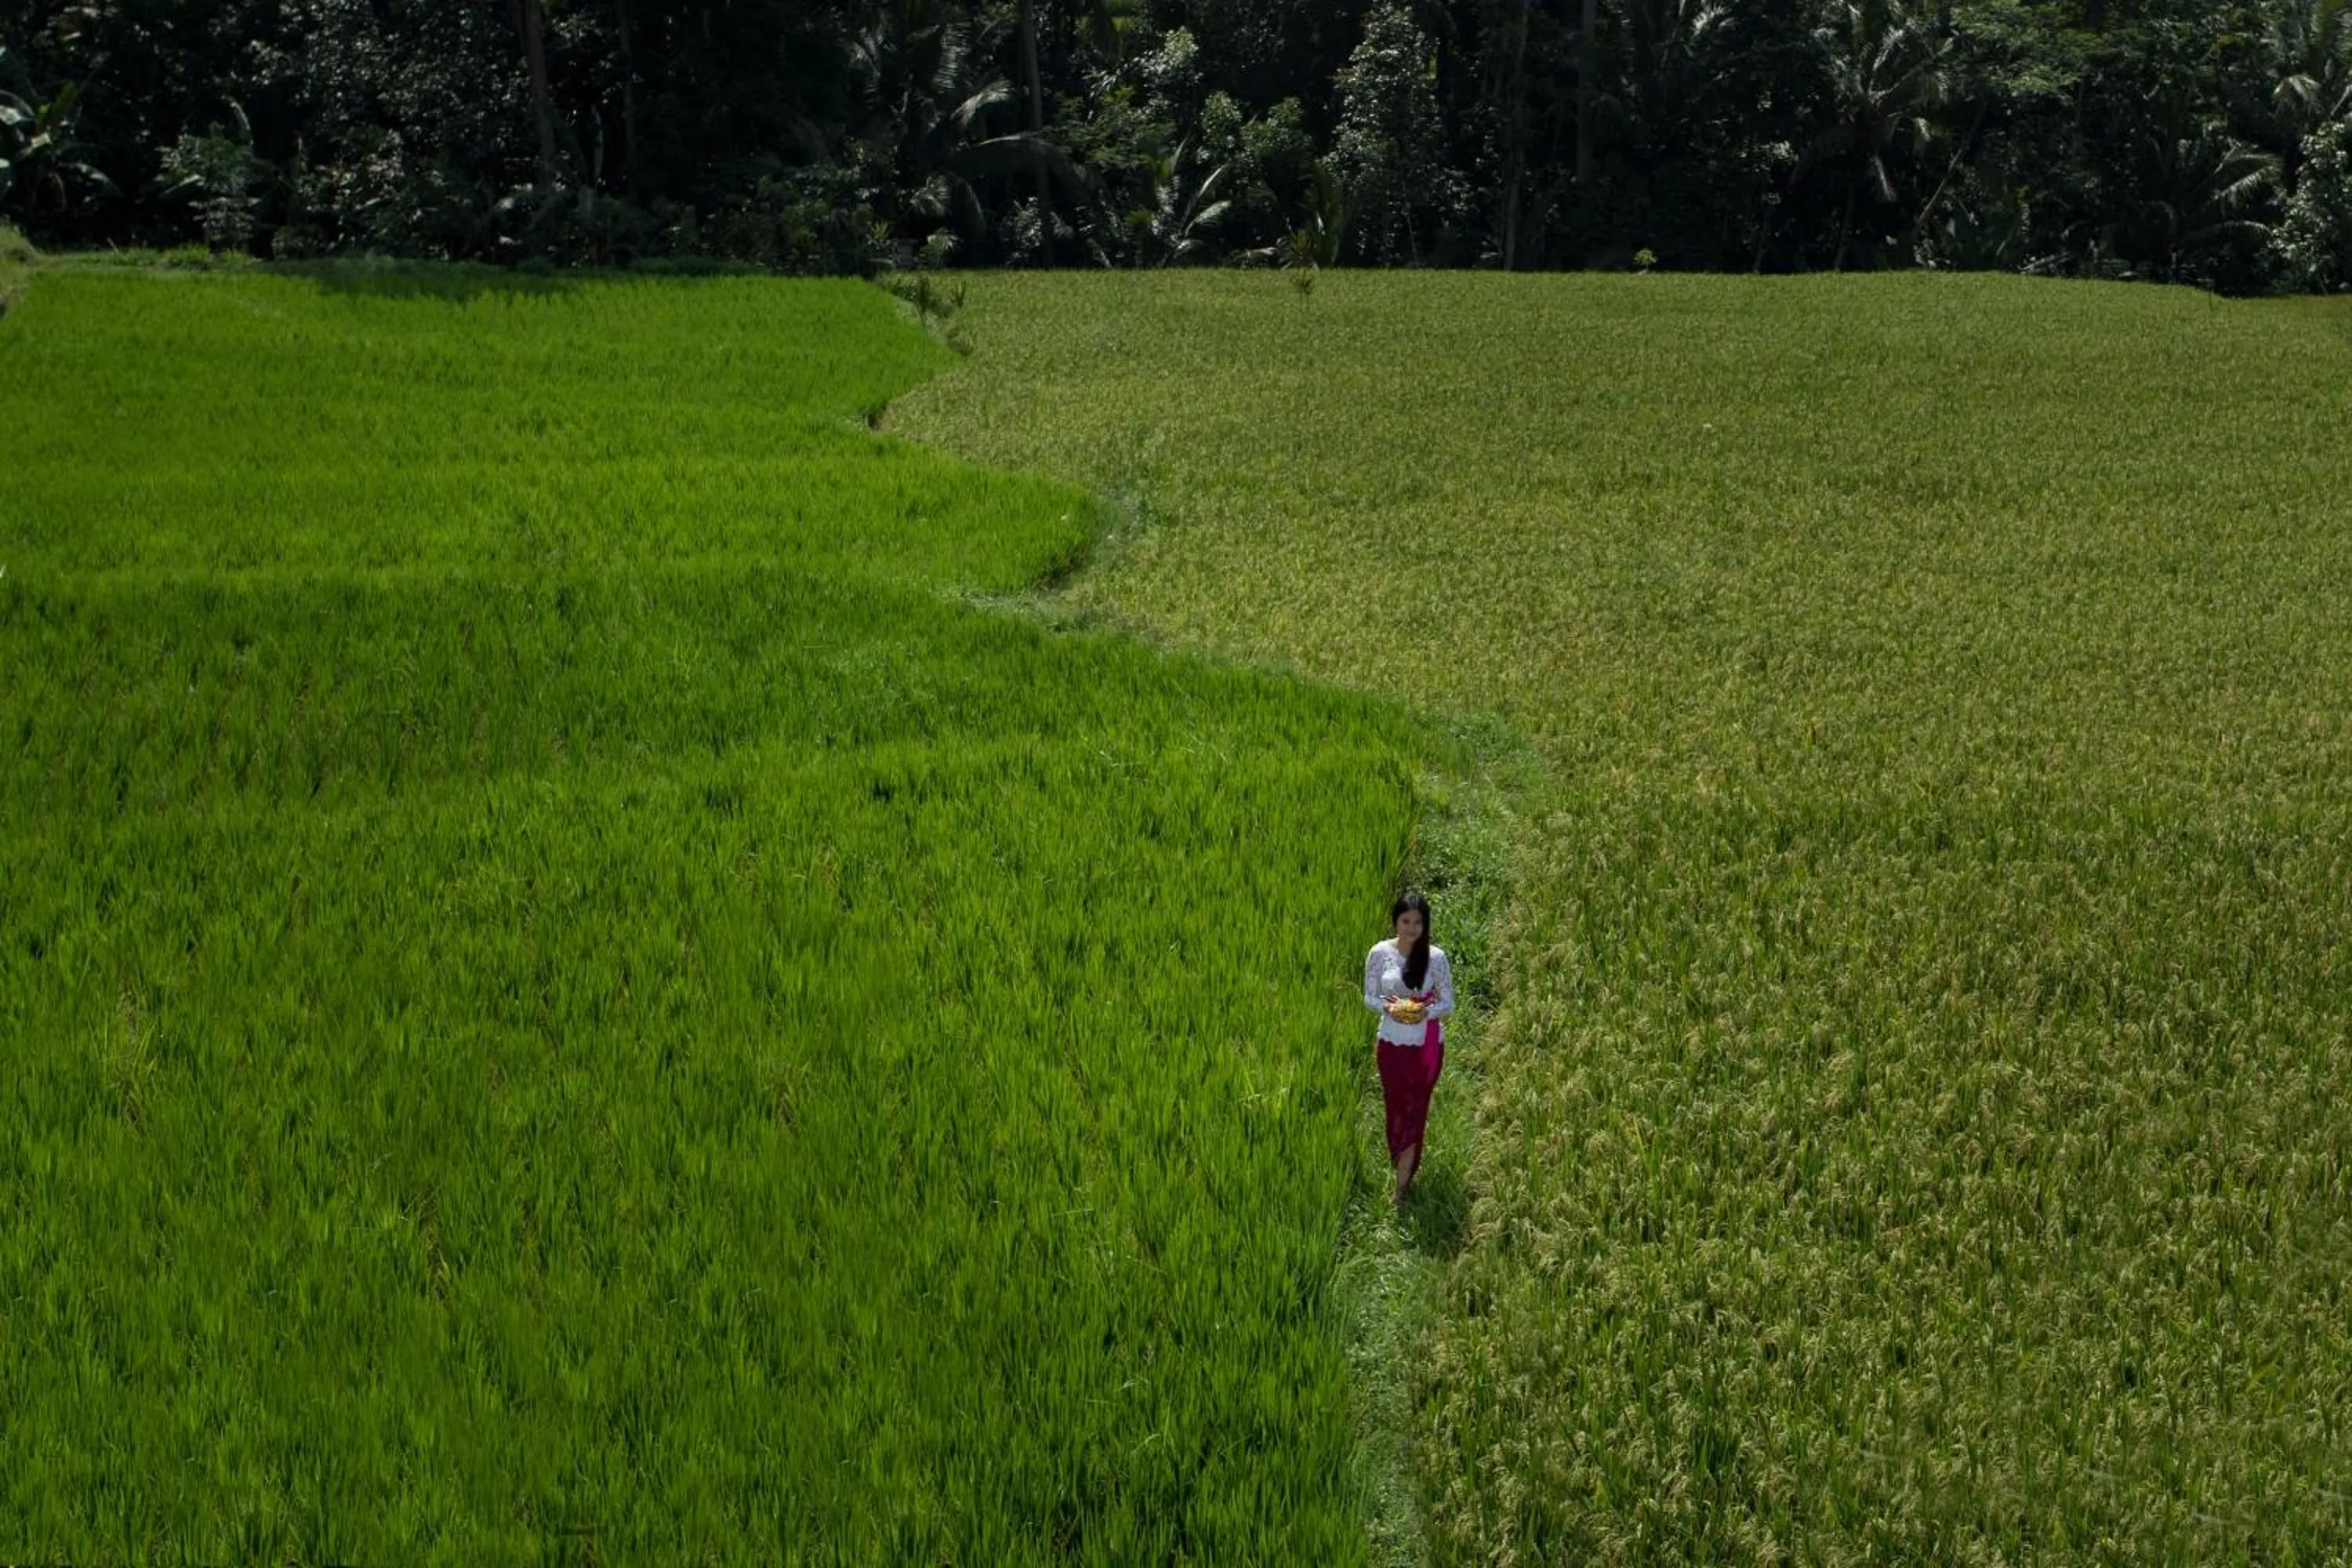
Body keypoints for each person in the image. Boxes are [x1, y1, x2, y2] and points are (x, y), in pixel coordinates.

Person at [1363, 891, 1454, 1208]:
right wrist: (1391, 1009)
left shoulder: (1437, 957)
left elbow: (1448, 1004)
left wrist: (1422, 1011)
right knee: (1395, 1108)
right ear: (1396, 921)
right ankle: (1399, 1154)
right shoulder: (1379, 953)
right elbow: (1370, 997)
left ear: (1425, 925)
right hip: (1390, 1044)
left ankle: (1402, 1186)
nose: (1412, 928)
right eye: (1406, 921)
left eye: (1418, 922)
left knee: (1417, 1109)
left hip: (1425, 1046)